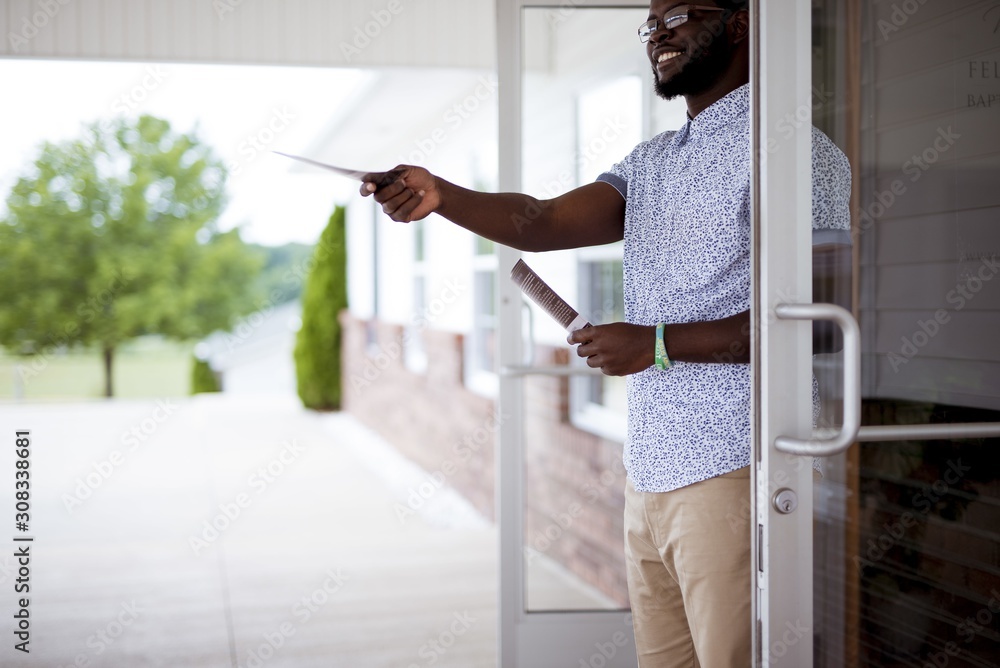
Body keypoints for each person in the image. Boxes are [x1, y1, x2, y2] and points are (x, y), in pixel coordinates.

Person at [359, 0, 851, 665]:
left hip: (735, 472)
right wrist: (442, 193)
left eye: (676, 14)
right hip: (647, 472)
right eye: (650, 24)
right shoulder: (652, 161)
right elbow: (541, 221)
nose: (659, 33)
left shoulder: (796, 151)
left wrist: (656, 344)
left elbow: (822, 320)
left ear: (740, 22)